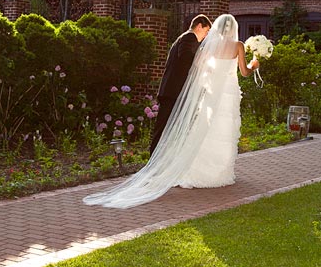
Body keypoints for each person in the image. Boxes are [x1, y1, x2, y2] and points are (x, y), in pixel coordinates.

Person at [83, 14, 258, 208]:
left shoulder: (207, 47)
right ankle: (168, 169)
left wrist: (208, 74)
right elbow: (243, 71)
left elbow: (198, 66)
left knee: (202, 131)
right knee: (219, 131)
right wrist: (254, 64)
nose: (207, 33)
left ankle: (190, 170)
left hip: (207, 92)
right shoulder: (233, 45)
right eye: (206, 30)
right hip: (222, 93)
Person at [148, 14, 212, 153]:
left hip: (173, 90)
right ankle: (154, 158)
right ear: (199, 26)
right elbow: (185, 58)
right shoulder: (189, 37)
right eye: (206, 31)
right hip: (173, 91)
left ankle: (162, 157)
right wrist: (202, 62)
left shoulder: (185, 38)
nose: (206, 35)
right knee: (163, 127)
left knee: (169, 127)